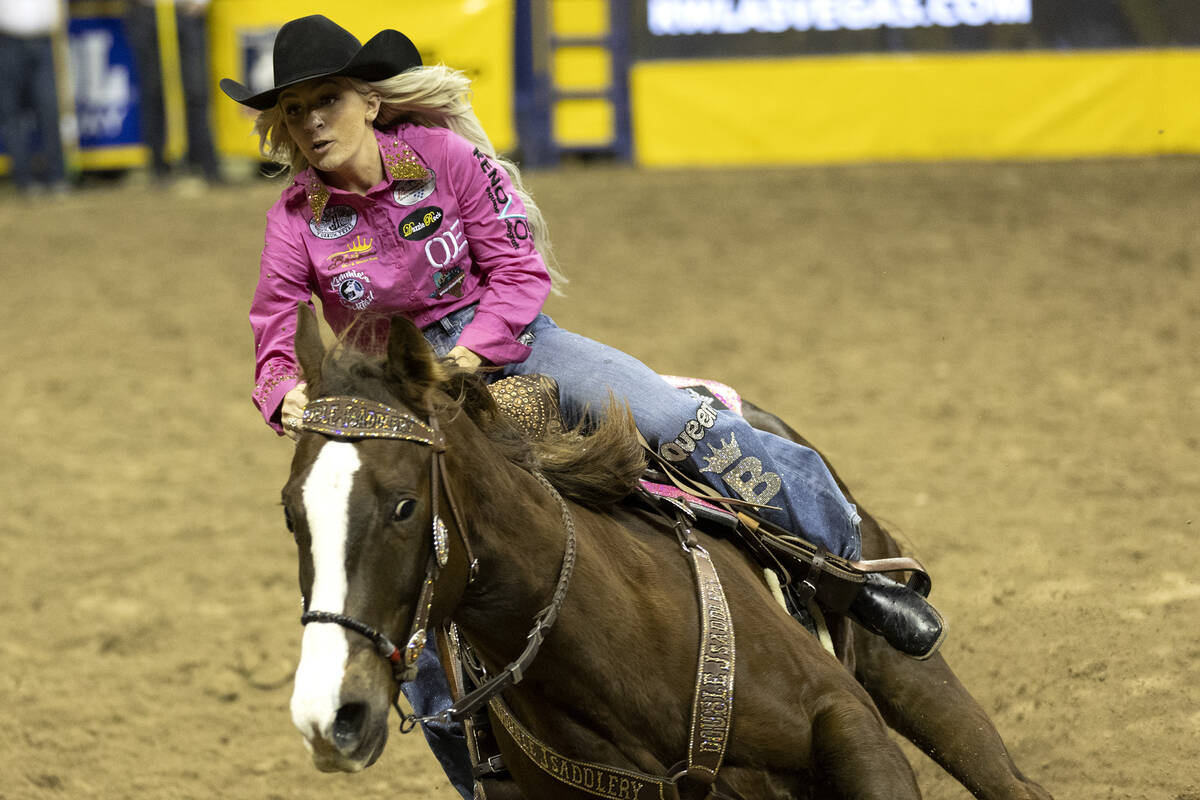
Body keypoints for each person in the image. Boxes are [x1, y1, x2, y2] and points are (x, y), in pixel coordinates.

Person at [221, 14, 945, 797]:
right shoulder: (294, 221)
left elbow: (518, 269)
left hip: (519, 344)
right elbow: (273, 327)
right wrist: (282, 394)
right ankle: (482, 774)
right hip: (405, 395)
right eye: (294, 111)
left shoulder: (449, 159)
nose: (312, 121)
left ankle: (849, 576)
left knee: (676, 420)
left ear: (368, 101)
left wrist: (472, 351)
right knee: (409, 598)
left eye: (326, 99)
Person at [123, 0, 220, 183]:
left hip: (187, 12)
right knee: (153, 91)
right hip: (146, 11)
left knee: (196, 91)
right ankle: (158, 167)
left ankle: (205, 164)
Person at [0, 0, 67, 194]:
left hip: (44, 39)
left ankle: (57, 176)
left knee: (49, 109)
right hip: (8, 41)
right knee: (13, 113)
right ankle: (24, 180)